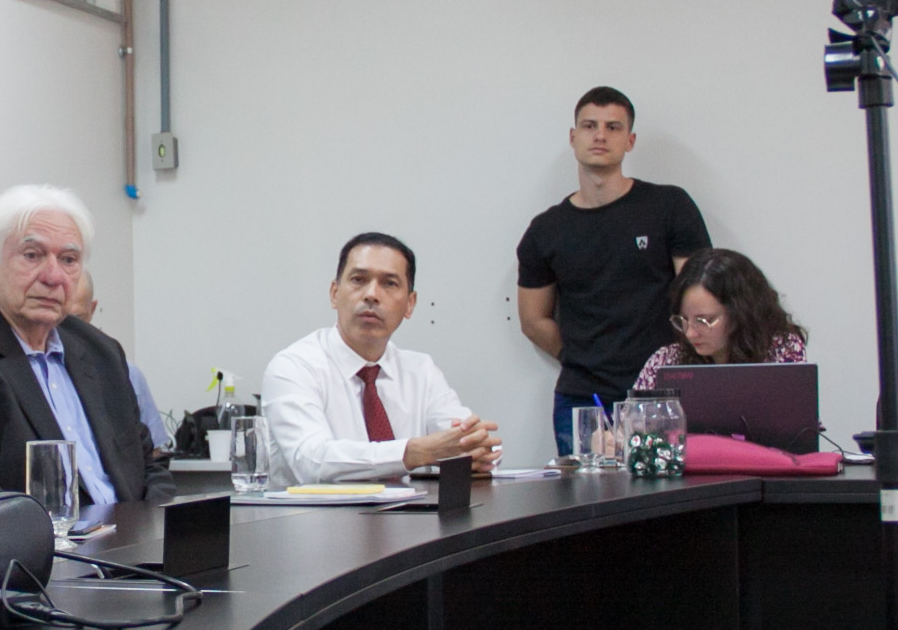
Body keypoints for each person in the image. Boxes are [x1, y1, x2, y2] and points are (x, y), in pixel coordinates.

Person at [0, 185, 171, 504]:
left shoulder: (100, 351)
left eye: (69, 259)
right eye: (32, 255)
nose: (53, 276)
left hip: (131, 535)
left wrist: (157, 525)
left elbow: (150, 467)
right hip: (39, 537)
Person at [517, 86, 711, 455]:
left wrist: (673, 362)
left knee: (668, 489)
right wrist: (581, 357)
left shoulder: (669, 206)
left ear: (630, 140)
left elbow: (701, 301)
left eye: (613, 127)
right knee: (585, 491)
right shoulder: (546, 230)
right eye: (589, 126)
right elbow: (533, 319)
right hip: (582, 398)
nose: (600, 136)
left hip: (661, 393)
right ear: (573, 137)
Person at [263, 233, 500, 486]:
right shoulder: (294, 366)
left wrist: (474, 450)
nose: (371, 294)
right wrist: (414, 452)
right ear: (334, 293)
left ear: (410, 304)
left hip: (411, 511)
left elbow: (472, 445)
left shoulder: (421, 372)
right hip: (314, 512)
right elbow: (311, 461)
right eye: (359, 280)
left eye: (389, 283)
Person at [633, 248, 808, 390]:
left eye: (703, 321)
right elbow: (633, 418)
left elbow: (797, 418)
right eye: (684, 320)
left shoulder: (781, 351)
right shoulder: (665, 362)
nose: (690, 333)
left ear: (739, 314)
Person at [66, 270, 169, 454]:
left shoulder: (125, 373)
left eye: (77, 319)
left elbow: (153, 453)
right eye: (61, 318)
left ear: (92, 309)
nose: (66, 328)